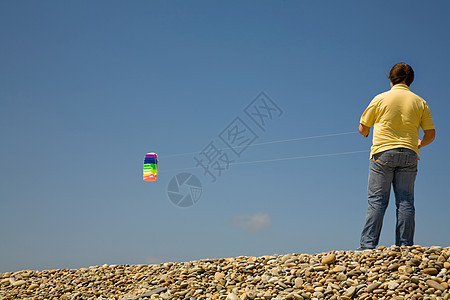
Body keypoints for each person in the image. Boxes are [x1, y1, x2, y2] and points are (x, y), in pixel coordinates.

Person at [358, 62, 435, 250]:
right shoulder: (420, 102)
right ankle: (405, 246)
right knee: (406, 201)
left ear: (391, 79)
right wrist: (420, 143)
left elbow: (362, 128)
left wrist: (367, 132)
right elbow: (430, 134)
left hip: (382, 153)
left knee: (377, 201)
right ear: (411, 80)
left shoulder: (380, 99)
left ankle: (368, 247)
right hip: (409, 153)